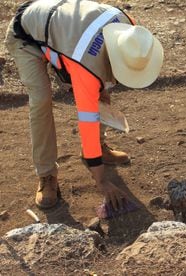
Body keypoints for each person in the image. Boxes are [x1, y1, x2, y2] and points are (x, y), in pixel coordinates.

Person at [5, 0, 164, 210]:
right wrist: (101, 180)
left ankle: (99, 147)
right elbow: (87, 120)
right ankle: (46, 175)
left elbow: (103, 73)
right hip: (26, 34)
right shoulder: (85, 65)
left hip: (61, 31)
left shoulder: (130, 29)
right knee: (42, 100)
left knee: (103, 88)